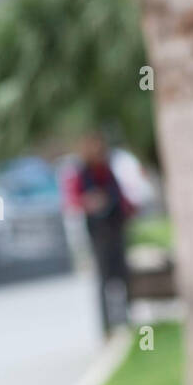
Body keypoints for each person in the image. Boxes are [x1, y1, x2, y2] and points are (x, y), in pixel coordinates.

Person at [63, 132, 135, 334]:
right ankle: (107, 326)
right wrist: (90, 201)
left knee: (122, 274)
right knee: (103, 278)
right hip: (98, 232)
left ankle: (126, 317)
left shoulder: (107, 170)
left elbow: (119, 196)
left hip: (115, 226)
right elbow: (73, 200)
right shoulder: (81, 173)